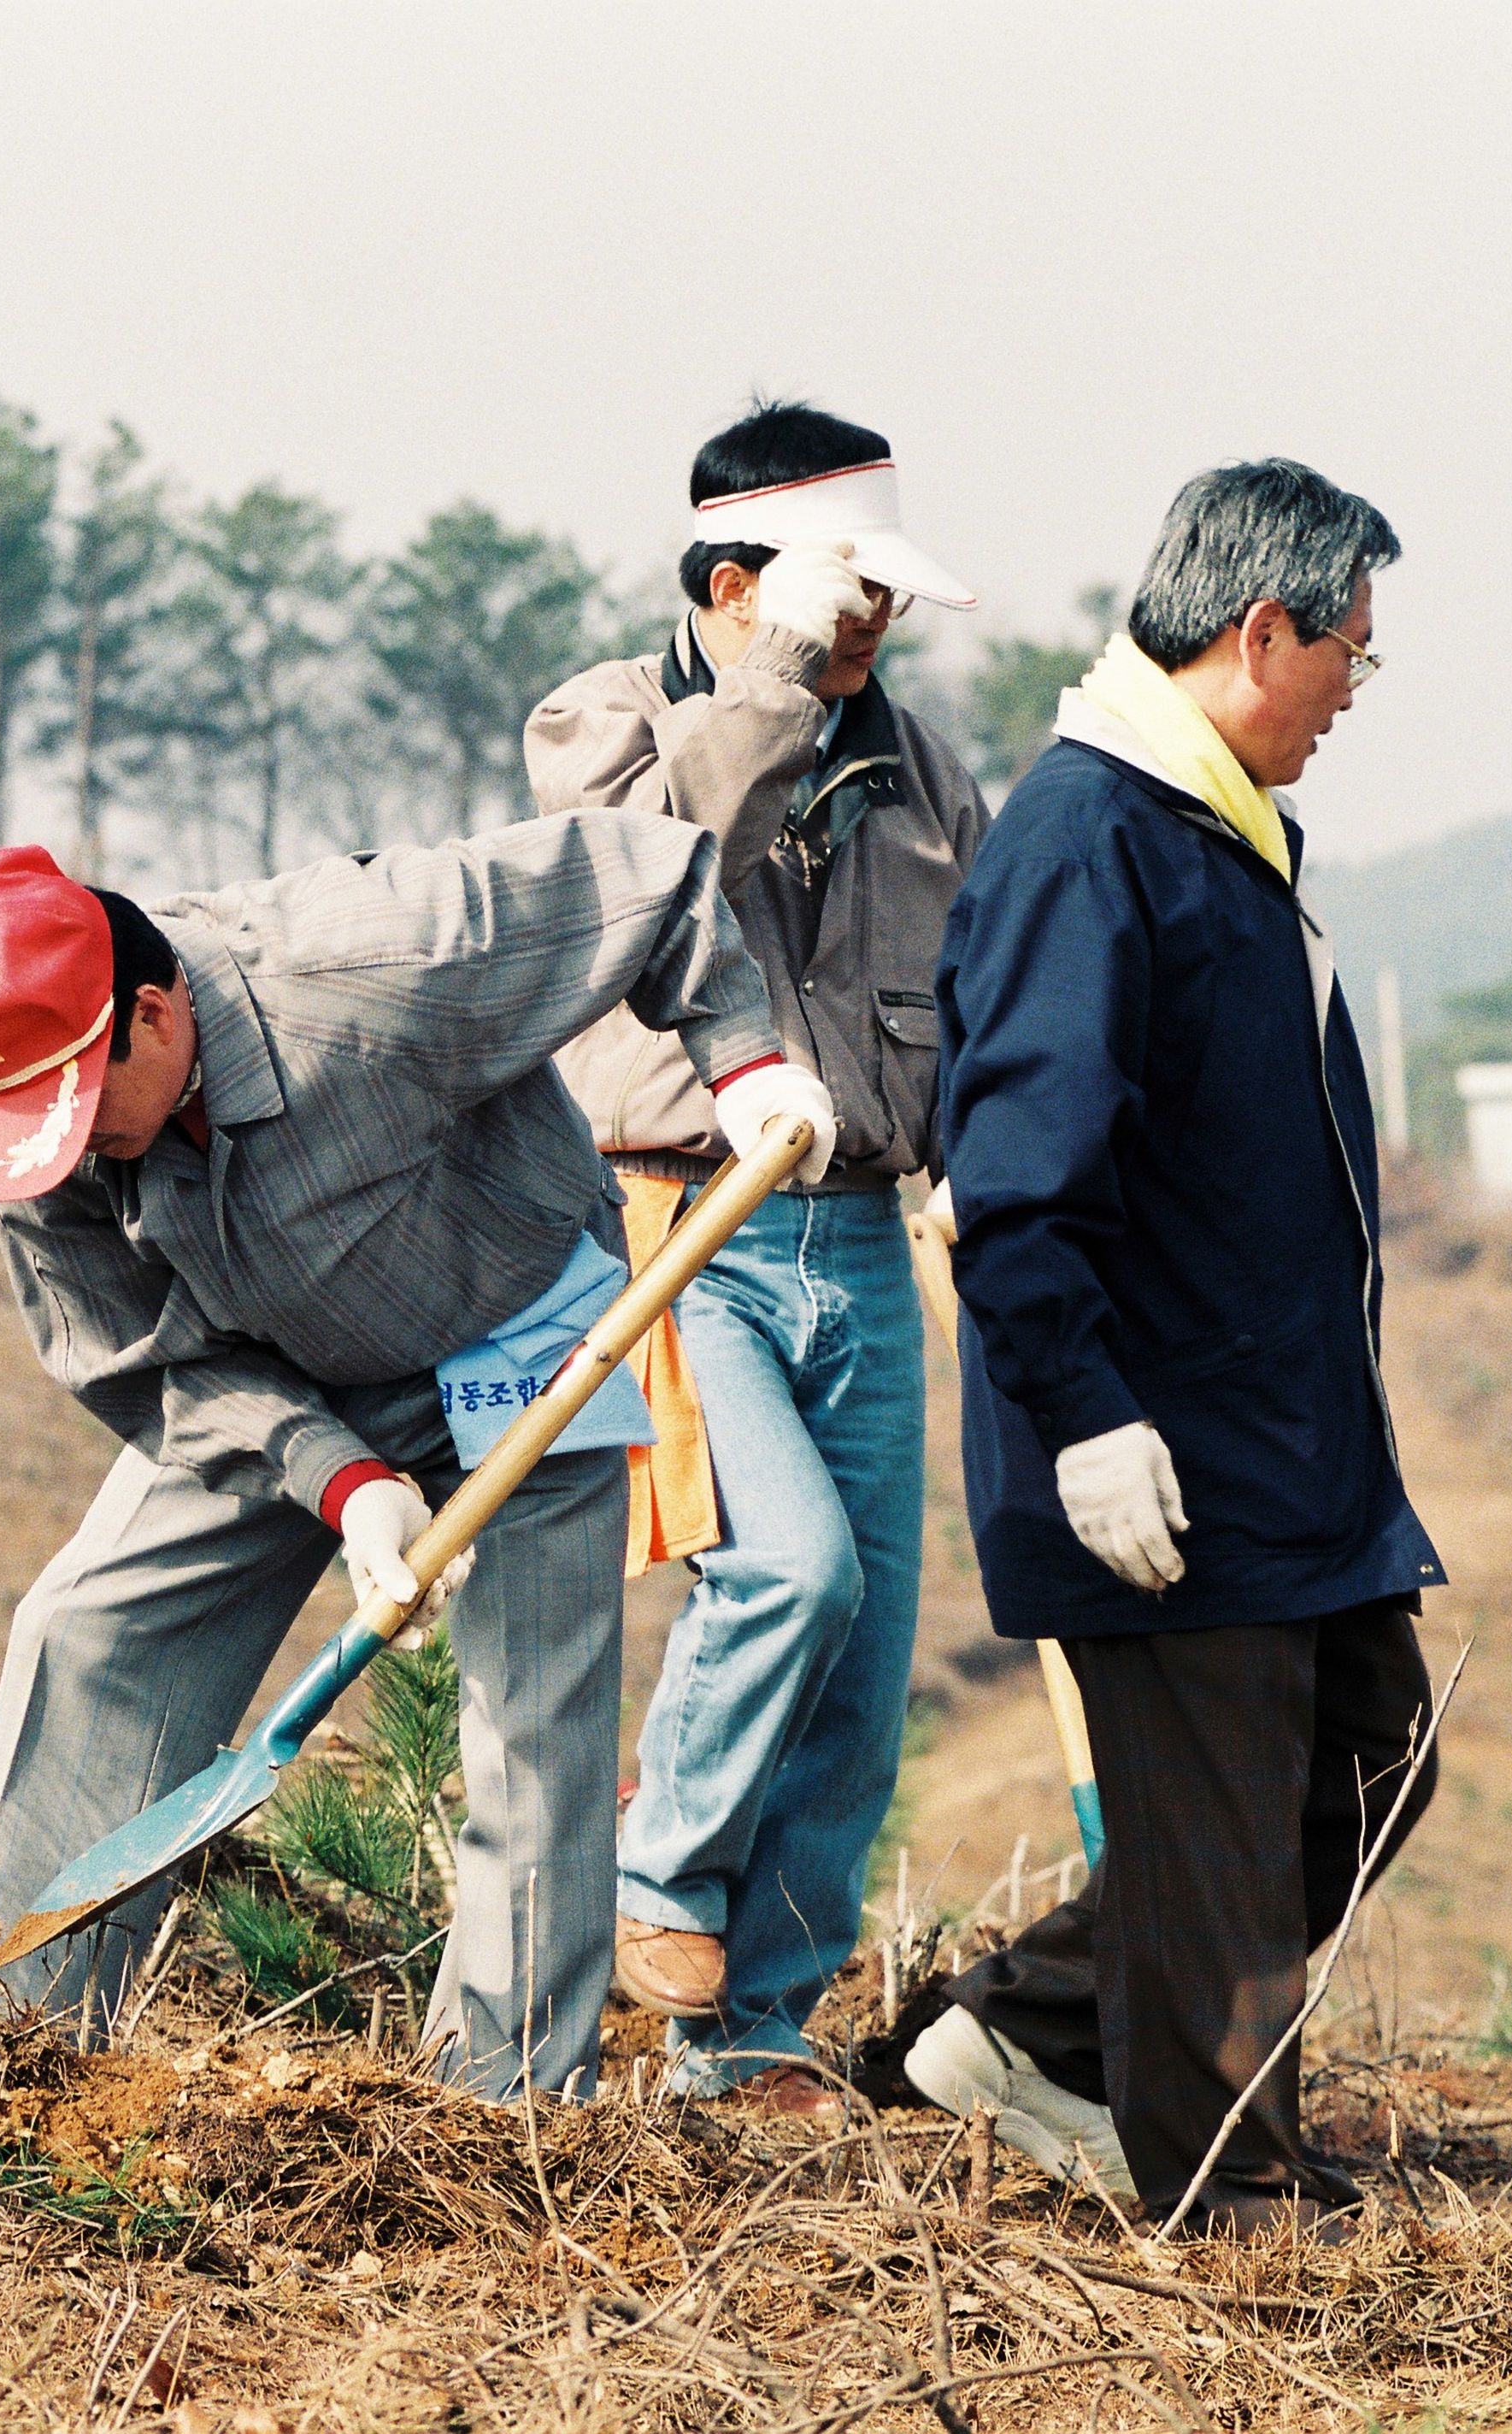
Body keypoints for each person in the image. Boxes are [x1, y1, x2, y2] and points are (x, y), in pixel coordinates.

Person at [0, 828, 835, 2098]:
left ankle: (496, 2108)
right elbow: (140, 1365)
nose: (53, 1152)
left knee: (532, 1723)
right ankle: (15, 2046)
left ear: (155, 1017)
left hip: (516, 1334)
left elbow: (647, 880)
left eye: (73, 1108)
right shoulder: (39, 1137)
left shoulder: (368, 965)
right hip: (271, 1376)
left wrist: (749, 1067)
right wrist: (343, 1479)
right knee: (88, 1626)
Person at [903, 461, 1441, 2237]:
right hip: (1154, 1444)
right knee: (1214, 1834)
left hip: (1279, 1442)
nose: (1354, 698)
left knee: (1368, 1759)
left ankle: (1019, 2033)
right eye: (1348, 659)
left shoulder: (1205, 825)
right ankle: (1235, 2202)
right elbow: (1017, 1167)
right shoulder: (1090, 838)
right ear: (1257, 627)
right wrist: (1080, 1414)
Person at [527, 402, 991, 2113]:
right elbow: (649, 885)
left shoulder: (928, 772)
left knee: (865, 1654)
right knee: (783, 1564)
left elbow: (975, 1005)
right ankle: (657, 1873)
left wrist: (973, 1168)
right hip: (676, 1216)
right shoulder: (603, 722)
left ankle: (757, 2028)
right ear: (738, 581)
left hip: (860, 1225)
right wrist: (771, 688)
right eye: (840, 601)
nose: (868, 633)